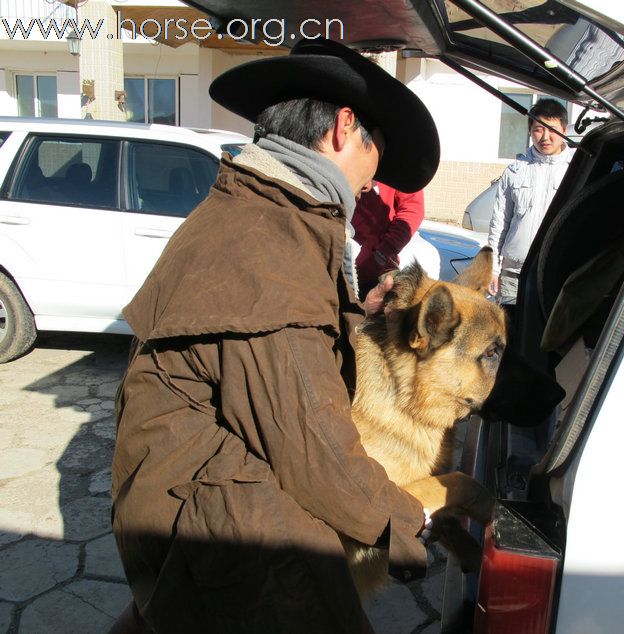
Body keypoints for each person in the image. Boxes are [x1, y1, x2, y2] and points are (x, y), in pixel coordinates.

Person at [109, 38, 440, 634]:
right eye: (377, 153)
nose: (372, 183)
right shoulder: (267, 245)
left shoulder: (255, 211)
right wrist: (406, 525)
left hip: (187, 502)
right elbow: (310, 441)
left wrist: (358, 314)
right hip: (220, 526)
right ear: (344, 128)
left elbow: (271, 352)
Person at [487, 98, 573, 304]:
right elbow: (499, 224)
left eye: (552, 129)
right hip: (514, 274)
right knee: (511, 331)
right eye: (538, 129)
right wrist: (492, 269)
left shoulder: (576, 169)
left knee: (548, 333)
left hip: (557, 273)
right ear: (530, 132)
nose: (545, 137)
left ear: (564, 129)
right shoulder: (516, 171)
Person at [352, 180, 425, 299]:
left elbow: (412, 210)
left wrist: (383, 253)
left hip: (375, 275)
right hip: (330, 267)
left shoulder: (400, 163)